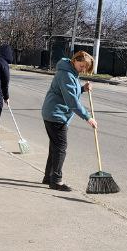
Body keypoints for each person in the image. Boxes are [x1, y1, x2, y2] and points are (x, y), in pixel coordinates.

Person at [41, 49, 96, 191]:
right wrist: (87, 117)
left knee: (55, 148)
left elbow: (69, 91)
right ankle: (56, 181)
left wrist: (82, 89)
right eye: (82, 65)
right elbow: (71, 100)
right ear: (75, 60)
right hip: (56, 115)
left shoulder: (70, 72)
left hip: (54, 114)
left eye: (85, 68)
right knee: (60, 148)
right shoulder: (66, 74)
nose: (83, 69)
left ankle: (49, 177)